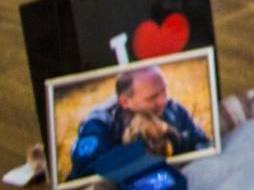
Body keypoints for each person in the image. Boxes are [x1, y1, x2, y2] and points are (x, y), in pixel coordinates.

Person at [66, 66, 210, 177]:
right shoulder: (100, 122)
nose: (163, 101)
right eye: (152, 97)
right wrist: (140, 150)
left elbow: (203, 144)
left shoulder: (173, 109)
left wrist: (172, 136)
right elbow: (85, 169)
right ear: (125, 102)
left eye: (164, 91)